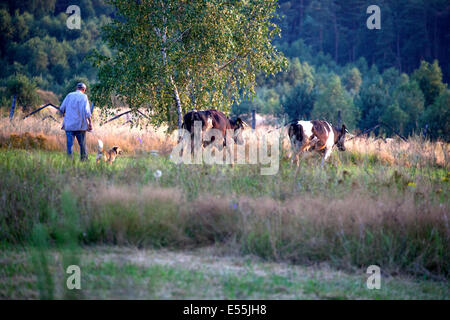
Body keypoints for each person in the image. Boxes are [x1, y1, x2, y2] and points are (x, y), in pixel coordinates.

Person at [60, 83, 92, 161]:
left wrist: (65, 115)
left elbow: (61, 108)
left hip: (69, 125)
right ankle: (84, 160)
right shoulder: (84, 97)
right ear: (84, 90)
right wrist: (90, 123)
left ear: (76, 88)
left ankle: (69, 161)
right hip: (80, 125)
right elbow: (87, 112)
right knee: (82, 145)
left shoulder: (69, 95)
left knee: (69, 145)